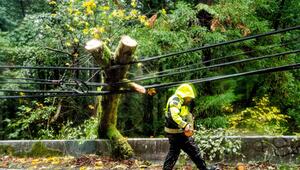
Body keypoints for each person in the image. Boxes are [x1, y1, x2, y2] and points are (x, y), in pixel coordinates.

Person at [163, 83, 208, 170]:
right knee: (194, 151)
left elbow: (187, 115)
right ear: (185, 95)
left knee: (174, 153)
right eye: (189, 97)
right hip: (176, 132)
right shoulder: (175, 100)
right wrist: (185, 125)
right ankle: (205, 169)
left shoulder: (182, 102)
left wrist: (190, 125)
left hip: (176, 132)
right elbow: (174, 116)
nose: (190, 99)